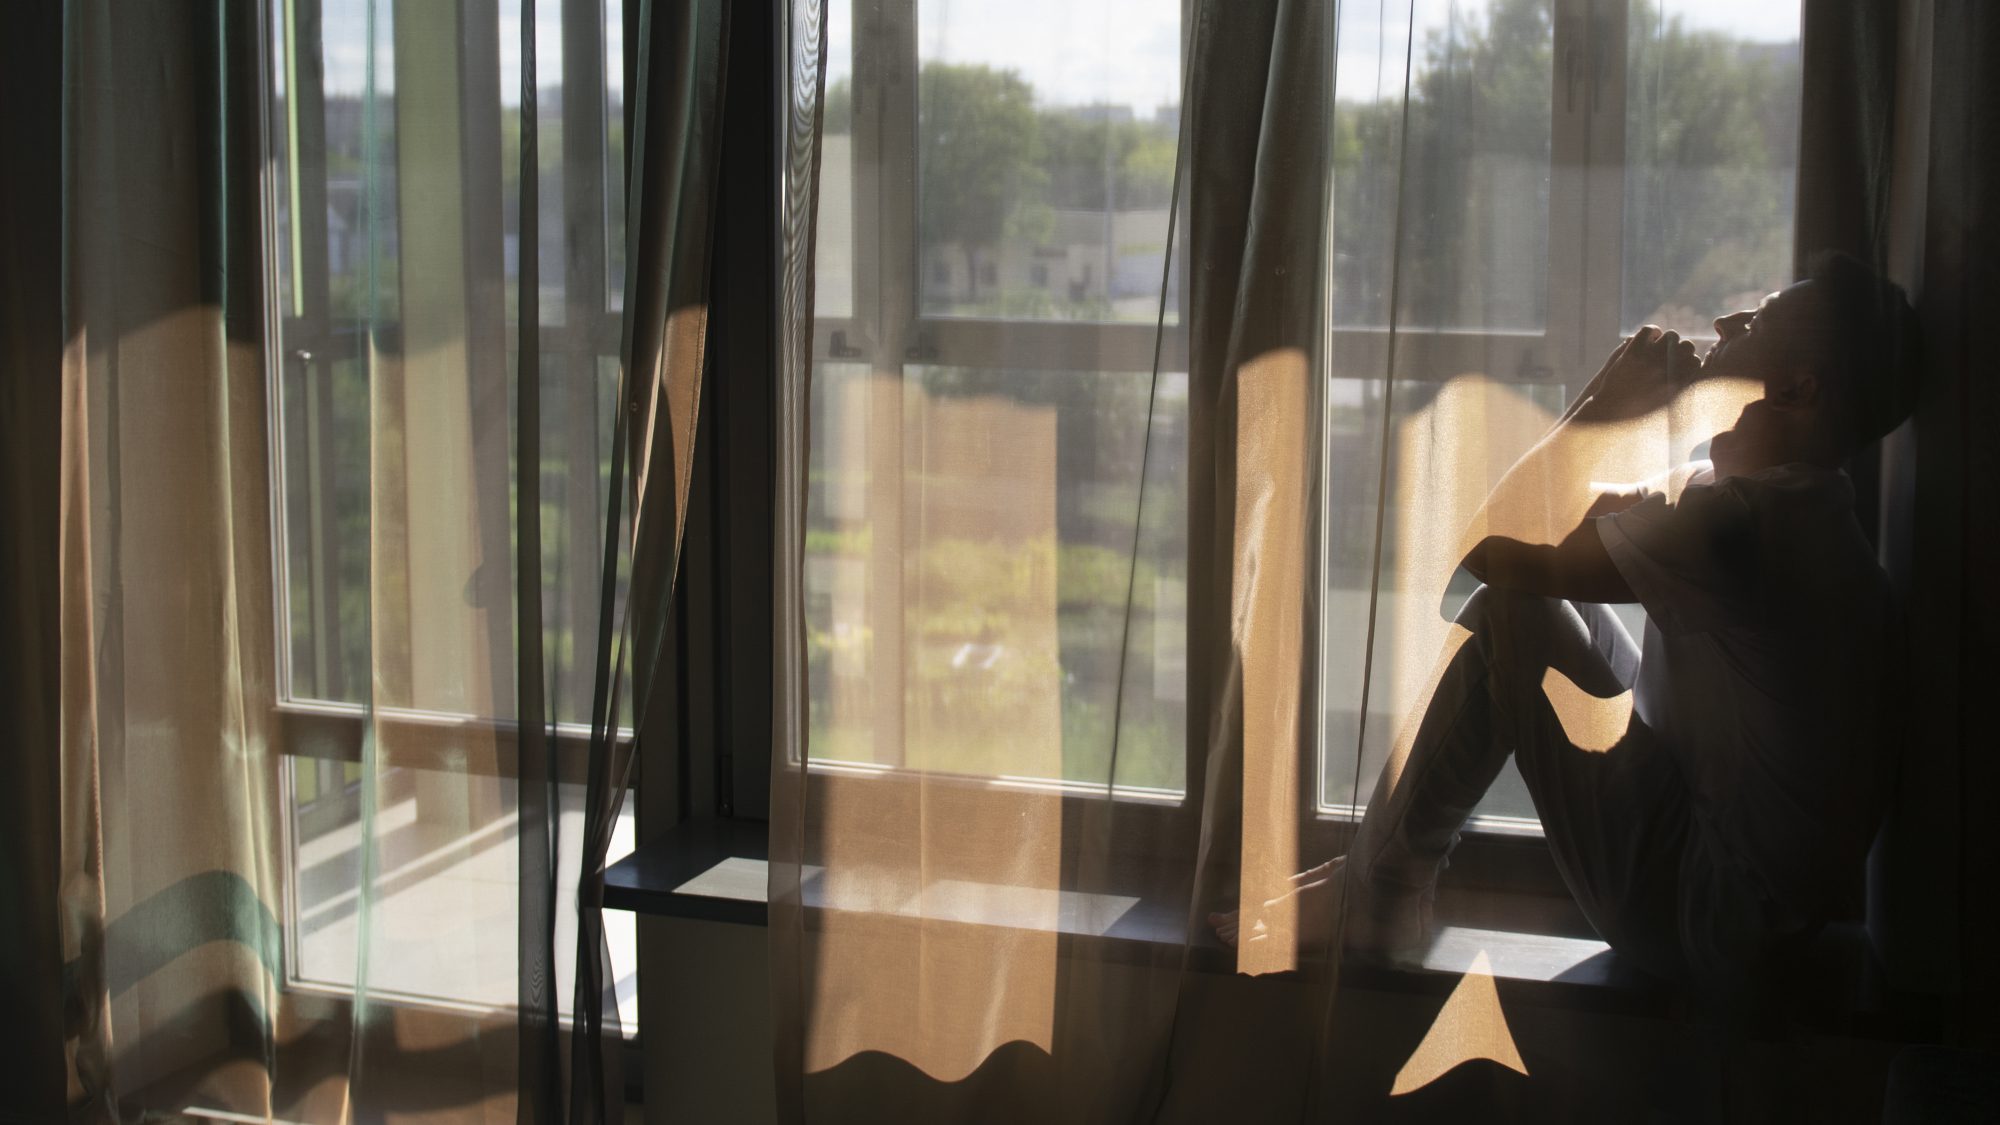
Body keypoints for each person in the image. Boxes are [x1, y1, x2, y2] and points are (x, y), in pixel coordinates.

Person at [1212, 254, 1922, 1009]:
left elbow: (1489, 548)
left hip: (1702, 917)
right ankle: (1369, 874)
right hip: (1751, 917)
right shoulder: (1795, 512)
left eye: (1757, 321)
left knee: (1514, 614)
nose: (1724, 324)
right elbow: (1557, 528)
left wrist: (1603, 403)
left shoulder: (1744, 529)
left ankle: (1377, 894)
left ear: (1797, 388)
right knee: (1554, 605)